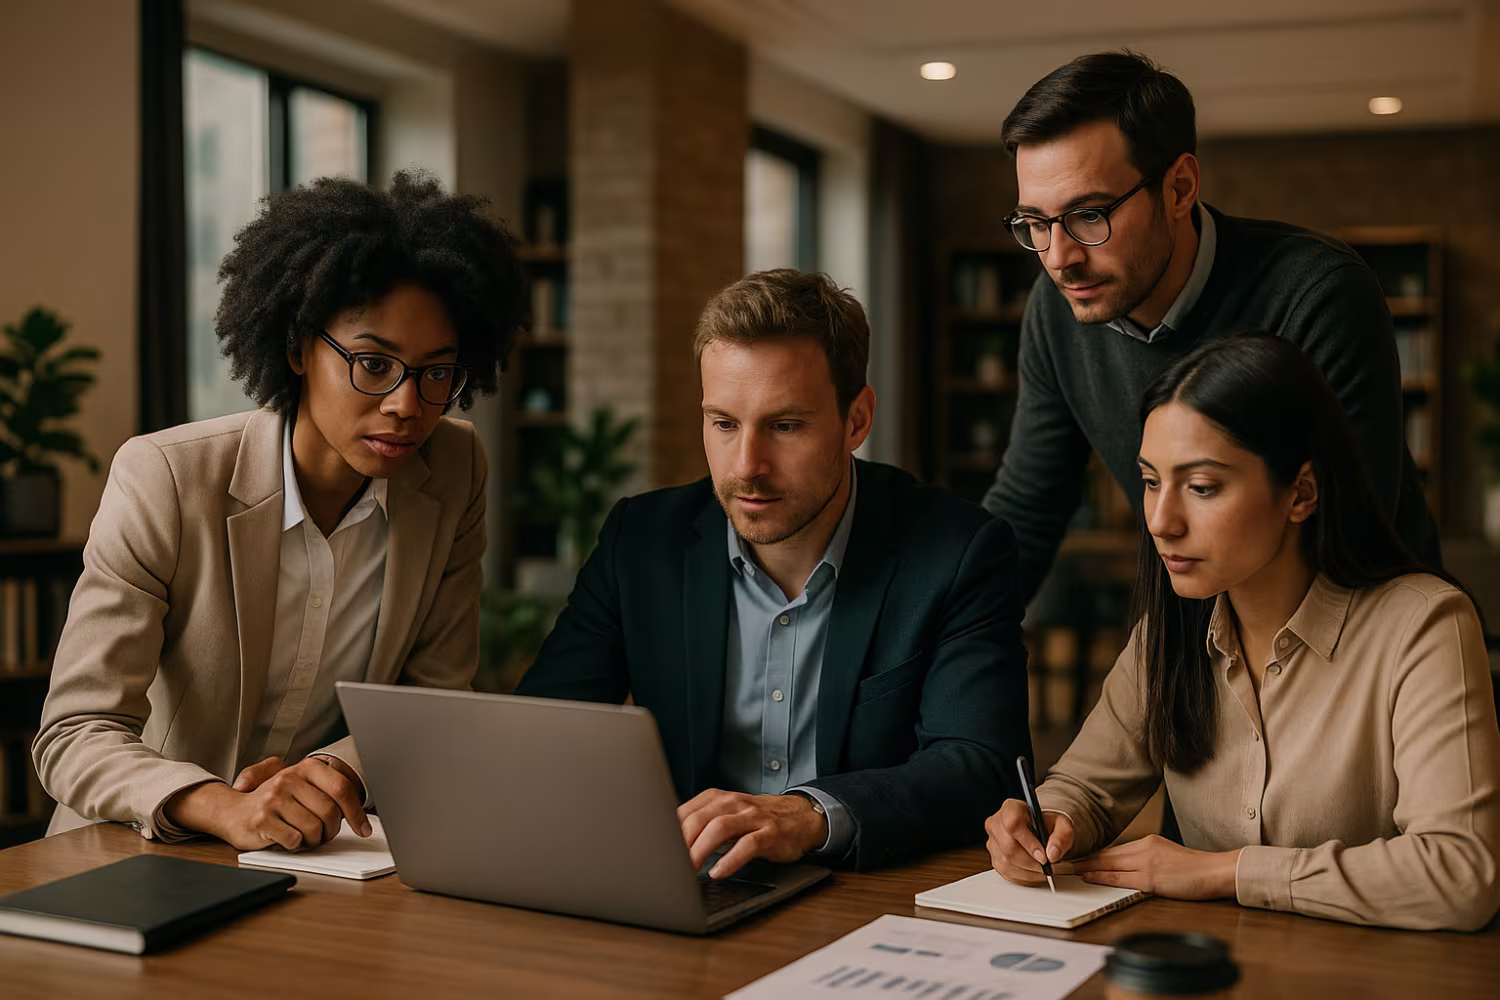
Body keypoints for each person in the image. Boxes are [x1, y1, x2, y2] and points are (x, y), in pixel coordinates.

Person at [34, 171, 525, 851]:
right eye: (373, 364)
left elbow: (433, 706)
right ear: (297, 348)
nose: (407, 405)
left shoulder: (452, 470)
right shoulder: (167, 479)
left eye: (436, 372)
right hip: (137, 852)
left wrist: (332, 772)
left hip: (325, 857)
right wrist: (219, 805)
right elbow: (74, 733)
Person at [517, 269, 1031, 877]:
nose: (747, 466)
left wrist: (808, 815)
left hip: (867, 897)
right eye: (724, 423)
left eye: (785, 426)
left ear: (857, 419)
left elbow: (981, 765)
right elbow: (542, 730)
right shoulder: (642, 542)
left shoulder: (956, 551)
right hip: (696, 890)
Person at [984, 333, 1500, 932]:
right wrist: (1046, 821)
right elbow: (1086, 786)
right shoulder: (1167, 634)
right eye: (1151, 481)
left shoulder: (1424, 627)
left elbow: (1461, 873)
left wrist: (1223, 872)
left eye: (1201, 487)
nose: (1160, 520)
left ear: (1300, 493)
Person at [982, 51, 1439, 603]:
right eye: (1034, 222)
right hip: (1201, 632)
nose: (1059, 257)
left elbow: (1348, 537)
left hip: (1368, 637)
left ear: (1179, 188)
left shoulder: (1319, 294)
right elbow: (1029, 505)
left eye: (1090, 215)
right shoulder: (1056, 311)